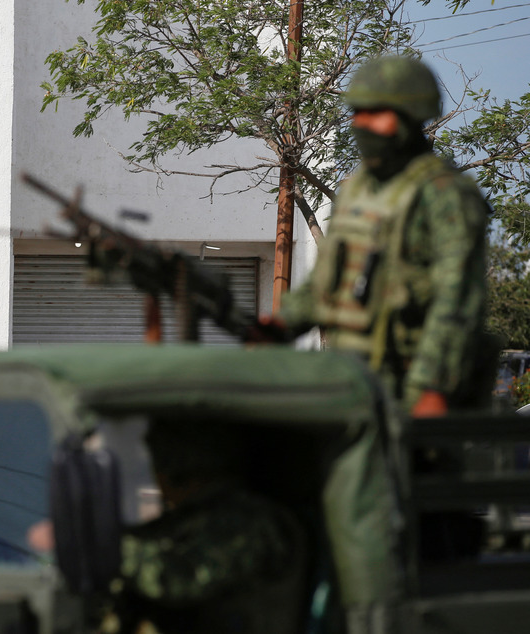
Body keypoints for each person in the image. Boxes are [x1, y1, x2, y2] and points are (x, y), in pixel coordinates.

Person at [271, 55, 493, 417]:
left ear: (409, 117)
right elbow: (326, 283)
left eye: (374, 112)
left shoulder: (445, 194)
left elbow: (458, 301)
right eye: (357, 112)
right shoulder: (358, 189)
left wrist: (432, 388)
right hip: (351, 385)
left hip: (411, 394)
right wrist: (281, 325)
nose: (360, 123)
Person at [99, 419, 308, 634]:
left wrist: (110, 547)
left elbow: (177, 578)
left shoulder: (248, 521)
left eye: (156, 464)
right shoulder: (193, 518)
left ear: (178, 468)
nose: (154, 477)